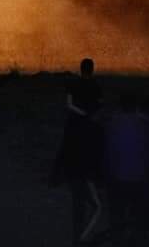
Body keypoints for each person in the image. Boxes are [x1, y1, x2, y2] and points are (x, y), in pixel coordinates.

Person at [56, 58, 104, 245]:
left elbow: (68, 105)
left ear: (80, 69)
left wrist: (80, 113)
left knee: (68, 146)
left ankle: (66, 171)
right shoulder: (96, 85)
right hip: (89, 122)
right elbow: (100, 104)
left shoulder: (73, 83)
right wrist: (89, 115)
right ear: (92, 69)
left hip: (76, 122)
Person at [104, 93, 149, 245]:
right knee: (138, 213)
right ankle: (137, 240)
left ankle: (118, 240)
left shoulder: (113, 124)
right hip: (139, 175)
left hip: (118, 175)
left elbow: (108, 151)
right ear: (136, 107)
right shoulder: (145, 125)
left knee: (117, 212)